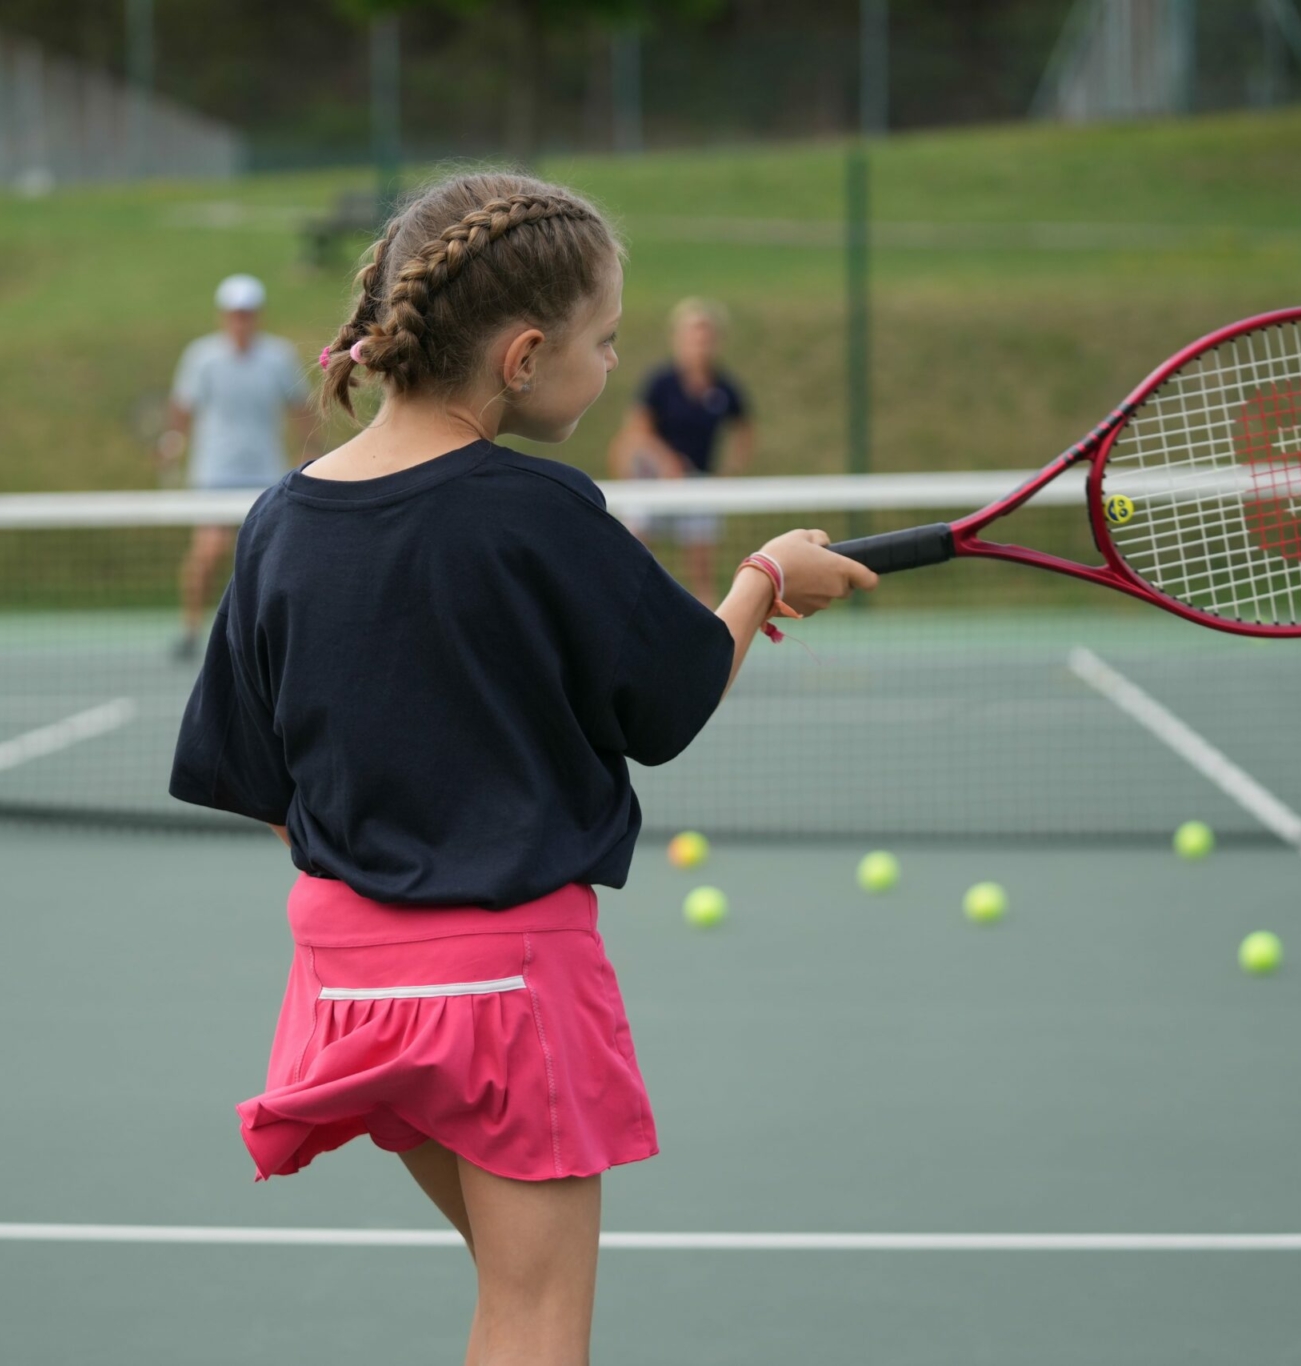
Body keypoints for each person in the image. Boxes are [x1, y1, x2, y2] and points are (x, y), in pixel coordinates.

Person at [169, 173, 873, 1363]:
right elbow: (673, 700)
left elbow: (261, 778)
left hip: (342, 984)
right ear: (523, 354)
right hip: (503, 989)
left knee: (508, 1287)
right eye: (601, 343)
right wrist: (762, 579)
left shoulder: (280, 518)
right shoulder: (543, 508)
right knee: (535, 1317)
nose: (608, 369)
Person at [159, 274, 316, 659]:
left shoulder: (278, 357)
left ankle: (264, 635)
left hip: (265, 476)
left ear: (256, 315)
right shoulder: (202, 357)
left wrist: (309, 453)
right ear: (223, 316)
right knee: (209, 551)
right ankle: (191, 630)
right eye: (234, 313)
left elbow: (301, 409)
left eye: (246, 313)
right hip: (214, 474)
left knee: (270, 559)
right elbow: (182, 407)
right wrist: (173, 443)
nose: (240, 321)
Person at [607, 298, 755, 600]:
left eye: (705, 336)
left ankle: (707, 618)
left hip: (697, 486)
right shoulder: (661, 383)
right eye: (692, 335)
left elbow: (745, 430)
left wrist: (729, 472)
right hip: (653, 485)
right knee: (637, 553)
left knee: (701, 565)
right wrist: (665, 463)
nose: (699, 342)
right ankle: (635, 607)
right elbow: (635, 432)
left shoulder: (724, 387)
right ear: (679, 339)